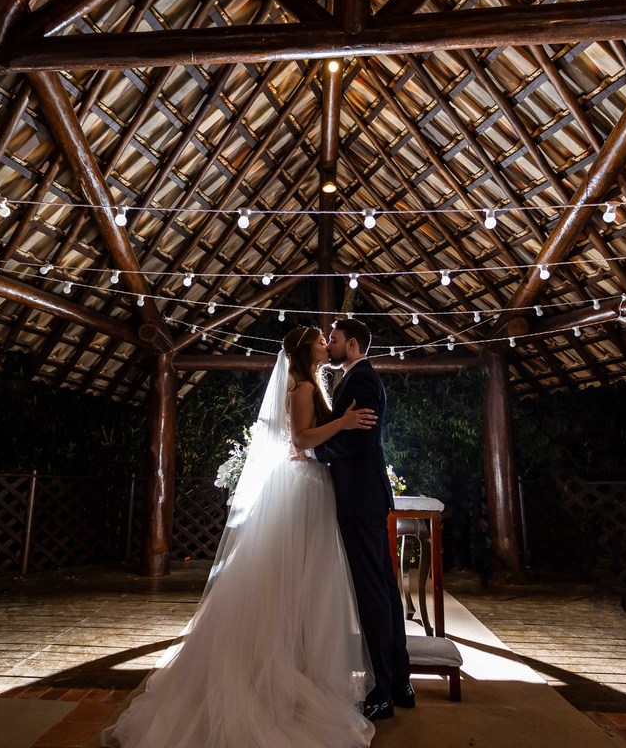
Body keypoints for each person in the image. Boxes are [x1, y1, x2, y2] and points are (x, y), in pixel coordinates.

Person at [102, 325, 378, 748]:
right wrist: (341, 422)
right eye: (322, 340)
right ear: (307, 350)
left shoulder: (313, 383)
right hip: (303, 489)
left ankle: (301, 665)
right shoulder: (302, 388)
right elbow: (301, 439)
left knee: (307, 583)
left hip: (312, 487)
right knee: (293, 580)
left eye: (331, 338)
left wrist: (334, 427)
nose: (328, 343)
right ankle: (280, 671)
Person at [315, 317, 413, 721]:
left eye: (334, 340)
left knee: (372, 591)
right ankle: (399, 682)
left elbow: (360, 440)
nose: (330, 345)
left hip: (360, 498)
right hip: (364, 497)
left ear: (352, 344)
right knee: (383, 588)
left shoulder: (362, 380)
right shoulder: (355, 379)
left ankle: (382, 692)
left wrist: (315, 453)